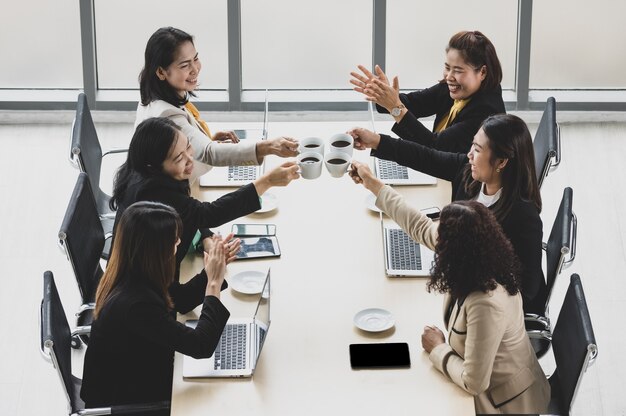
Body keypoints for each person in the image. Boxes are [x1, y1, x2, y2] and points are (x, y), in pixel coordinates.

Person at [350, 166, 550, 413]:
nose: (436, 240)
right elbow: (420, 226)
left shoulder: (487, 302)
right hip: (479, 378)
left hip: (503, 404)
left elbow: (474, 382)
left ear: (454, 252)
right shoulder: (478, 254)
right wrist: (374, 186)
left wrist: (438, 348)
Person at [349, 114, 546, 314]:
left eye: (477, 150)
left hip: (488, 309)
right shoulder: (470, 174)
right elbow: (427, 157)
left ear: (501, 162)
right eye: (472, 145)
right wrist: (376, 141)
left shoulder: (524, 218)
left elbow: (527, 292)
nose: (469, 154)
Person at [110, 117, 299, 283]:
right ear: (155, 167)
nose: (190, 159)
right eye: (178, 159)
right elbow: (208, 213)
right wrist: (267, 181)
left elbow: (191, 212)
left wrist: (205, 239)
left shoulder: (142, 171)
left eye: (188, 147)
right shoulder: (154, 195)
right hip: (151, 292)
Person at [81, 201, 231, 411]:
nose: (179, 242)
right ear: (154, 250)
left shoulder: (133, 271)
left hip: (137, 375)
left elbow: (182, 300)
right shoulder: (136, 305)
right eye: (174, 241)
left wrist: (213, 270)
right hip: (130, 402)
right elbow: (201, 345)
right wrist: (213, 283)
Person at [138, 26, 299, 182]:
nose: (195, 69)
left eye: (195, 59)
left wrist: (204, 138)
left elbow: (174, 149)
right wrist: (269, 147)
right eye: (185, 65)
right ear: (161, 72)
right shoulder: (166, 115)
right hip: (175, 196)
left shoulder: (152, 94)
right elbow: (209, 153)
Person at [350, 30, 504, 153]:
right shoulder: (456, 88)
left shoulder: (487, 111)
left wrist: (394, 107)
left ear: (482, 72)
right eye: (447, 67)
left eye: (458, 70)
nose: (449, 77)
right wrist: (384, 95)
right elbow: (414, 103)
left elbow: (435, 147)